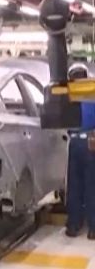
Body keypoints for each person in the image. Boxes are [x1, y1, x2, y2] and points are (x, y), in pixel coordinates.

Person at [65, 63, 95, 238]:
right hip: (91, 142)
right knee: (91, 184)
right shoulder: (92, 93)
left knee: (75, 184)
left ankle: (74, 225)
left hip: (74, 142)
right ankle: (93, 228)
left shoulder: (68, 96)